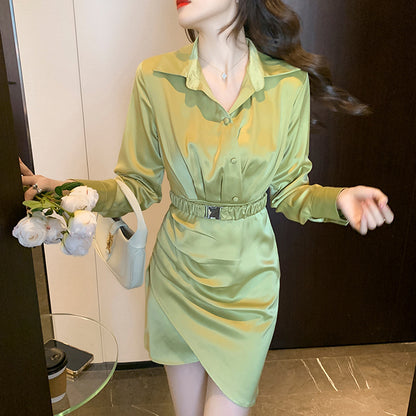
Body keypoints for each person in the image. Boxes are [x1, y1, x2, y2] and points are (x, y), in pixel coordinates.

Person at [20, 0, 394, 415]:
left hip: (248, 283)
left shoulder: (288, 84)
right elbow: (137, 187)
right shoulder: (155, 78)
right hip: (179, 276)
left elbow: (290, 191)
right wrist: (65, 190)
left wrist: (337, 199)